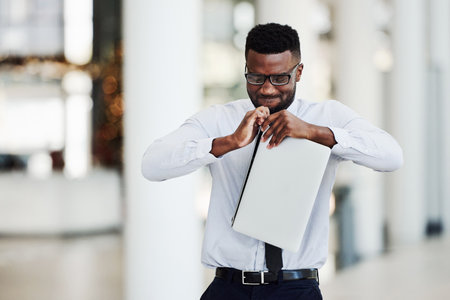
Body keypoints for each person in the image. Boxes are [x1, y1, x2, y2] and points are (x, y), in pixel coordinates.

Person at [141, 23, 403, 300]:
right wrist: (227, 142)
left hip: (297, 288)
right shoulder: (219, 120)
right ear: (245, 69)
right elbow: (152, 165)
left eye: (279, 78)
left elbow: (391, 156)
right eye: (256, 77)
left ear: (298, 72)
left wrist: (315, 132)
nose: (266, 89)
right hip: (227, 288)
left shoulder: (327, 116)